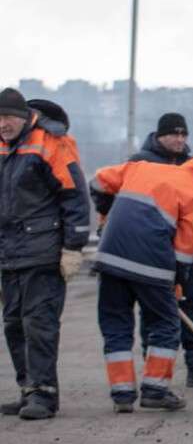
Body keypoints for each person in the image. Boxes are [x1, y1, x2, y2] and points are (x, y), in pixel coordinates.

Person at [90, 150, 193, 412]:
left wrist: (106, 211)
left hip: (110, 258)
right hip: (152, 266)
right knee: (166, 324)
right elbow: (184, 250)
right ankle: (155, 390)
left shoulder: (142, 167)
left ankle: (122, 395)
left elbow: (98, 182)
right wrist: (177, 282)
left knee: (115, 324)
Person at [0, 88, 90, 420]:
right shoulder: (2, 146)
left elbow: (75, 198)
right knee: (13, 325)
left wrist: (73, 247)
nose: (3, 124)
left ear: (24, 117)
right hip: (9, 255)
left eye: (8, 117)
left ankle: (44, 394)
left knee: (39, 324)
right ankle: (28, 390)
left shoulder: (51, 142)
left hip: (43, 251)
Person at [126, 113, 193, 388]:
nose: (180, 140)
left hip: (183, 251)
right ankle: (154, 370)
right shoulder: (140, 163)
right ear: (160, 136)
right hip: (148, 251)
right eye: (174, 134)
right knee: (152, 310)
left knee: (192, 303)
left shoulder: (191, 167)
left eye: (184, 135)